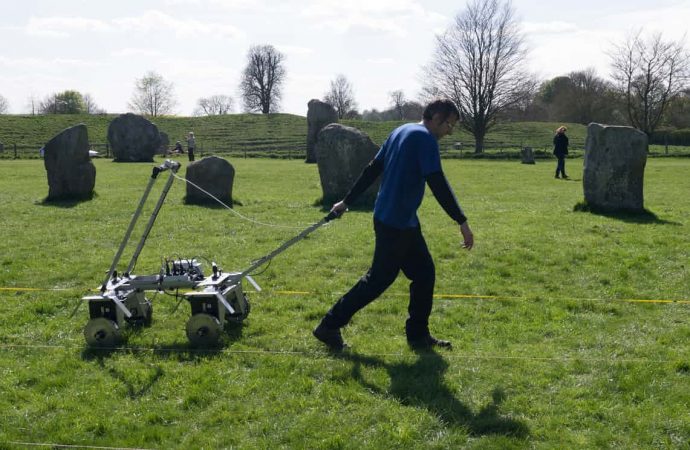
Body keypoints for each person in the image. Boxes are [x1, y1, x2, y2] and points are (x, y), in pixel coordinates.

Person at [313, 99, 474, 351]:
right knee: (378, 279)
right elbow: (437, 183)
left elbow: (372, 168)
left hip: (398, 218)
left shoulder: (401, 131)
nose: (449, 131)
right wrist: (461, 221)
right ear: (435, 117)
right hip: (396, 222)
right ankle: (329, 325)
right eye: (449, 124)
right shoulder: (425, 139)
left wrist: (347, 201)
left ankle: (418, 336)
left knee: (423, 273)